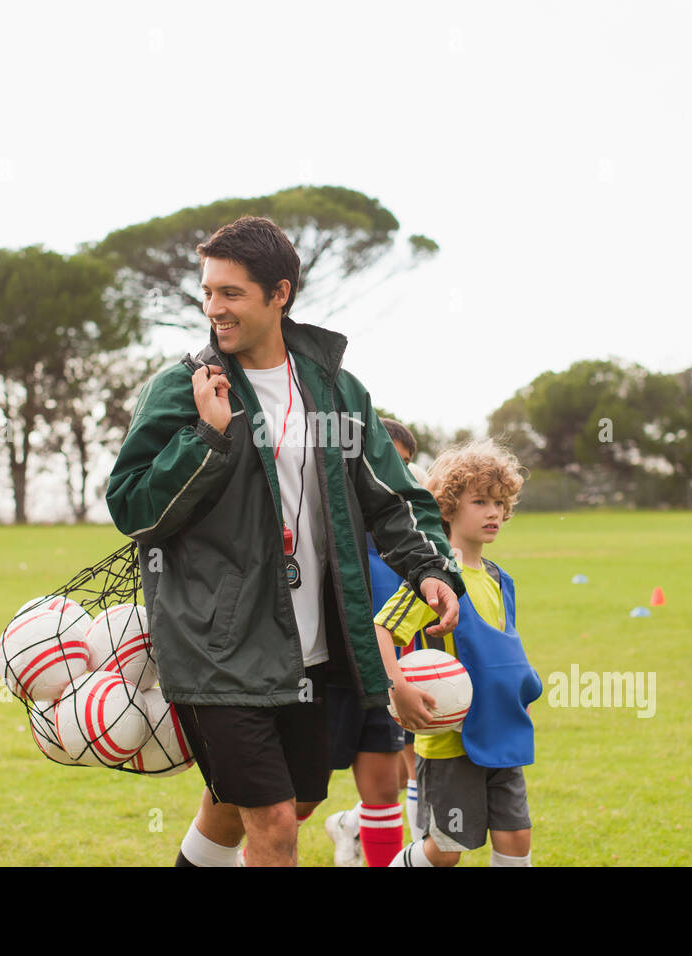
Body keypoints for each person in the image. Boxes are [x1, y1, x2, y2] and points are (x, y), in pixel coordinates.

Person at [106, 216, 463, 867]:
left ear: (280, 293)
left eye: (232, 293)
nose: (214, 308)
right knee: (272, 823)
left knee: (283, 803)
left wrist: (430, 569)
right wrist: (208, 439)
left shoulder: (335, 391)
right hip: (216, 642)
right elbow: (131, 508)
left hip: (313, 647)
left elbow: (392, 494)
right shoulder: (182, 389)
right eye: (208, 292)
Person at [378, 439, 543, 867]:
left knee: (516, 837)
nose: (494, 512)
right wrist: (398, 690)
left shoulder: (499, 579)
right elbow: (381, 630)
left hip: (502, 730)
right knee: (447, 850)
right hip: (452, 743)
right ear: (447, 508)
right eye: (480, 501)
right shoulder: (435, 579)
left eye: (500, 502)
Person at [322, 418, 419, 867]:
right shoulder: (327, 526)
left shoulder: (406, 538)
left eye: (403, 466)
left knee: (386, 792)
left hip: (384, 679)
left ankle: (354, 828)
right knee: (299, 800)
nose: (393, 477)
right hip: (329, 679)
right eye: (386, 463)